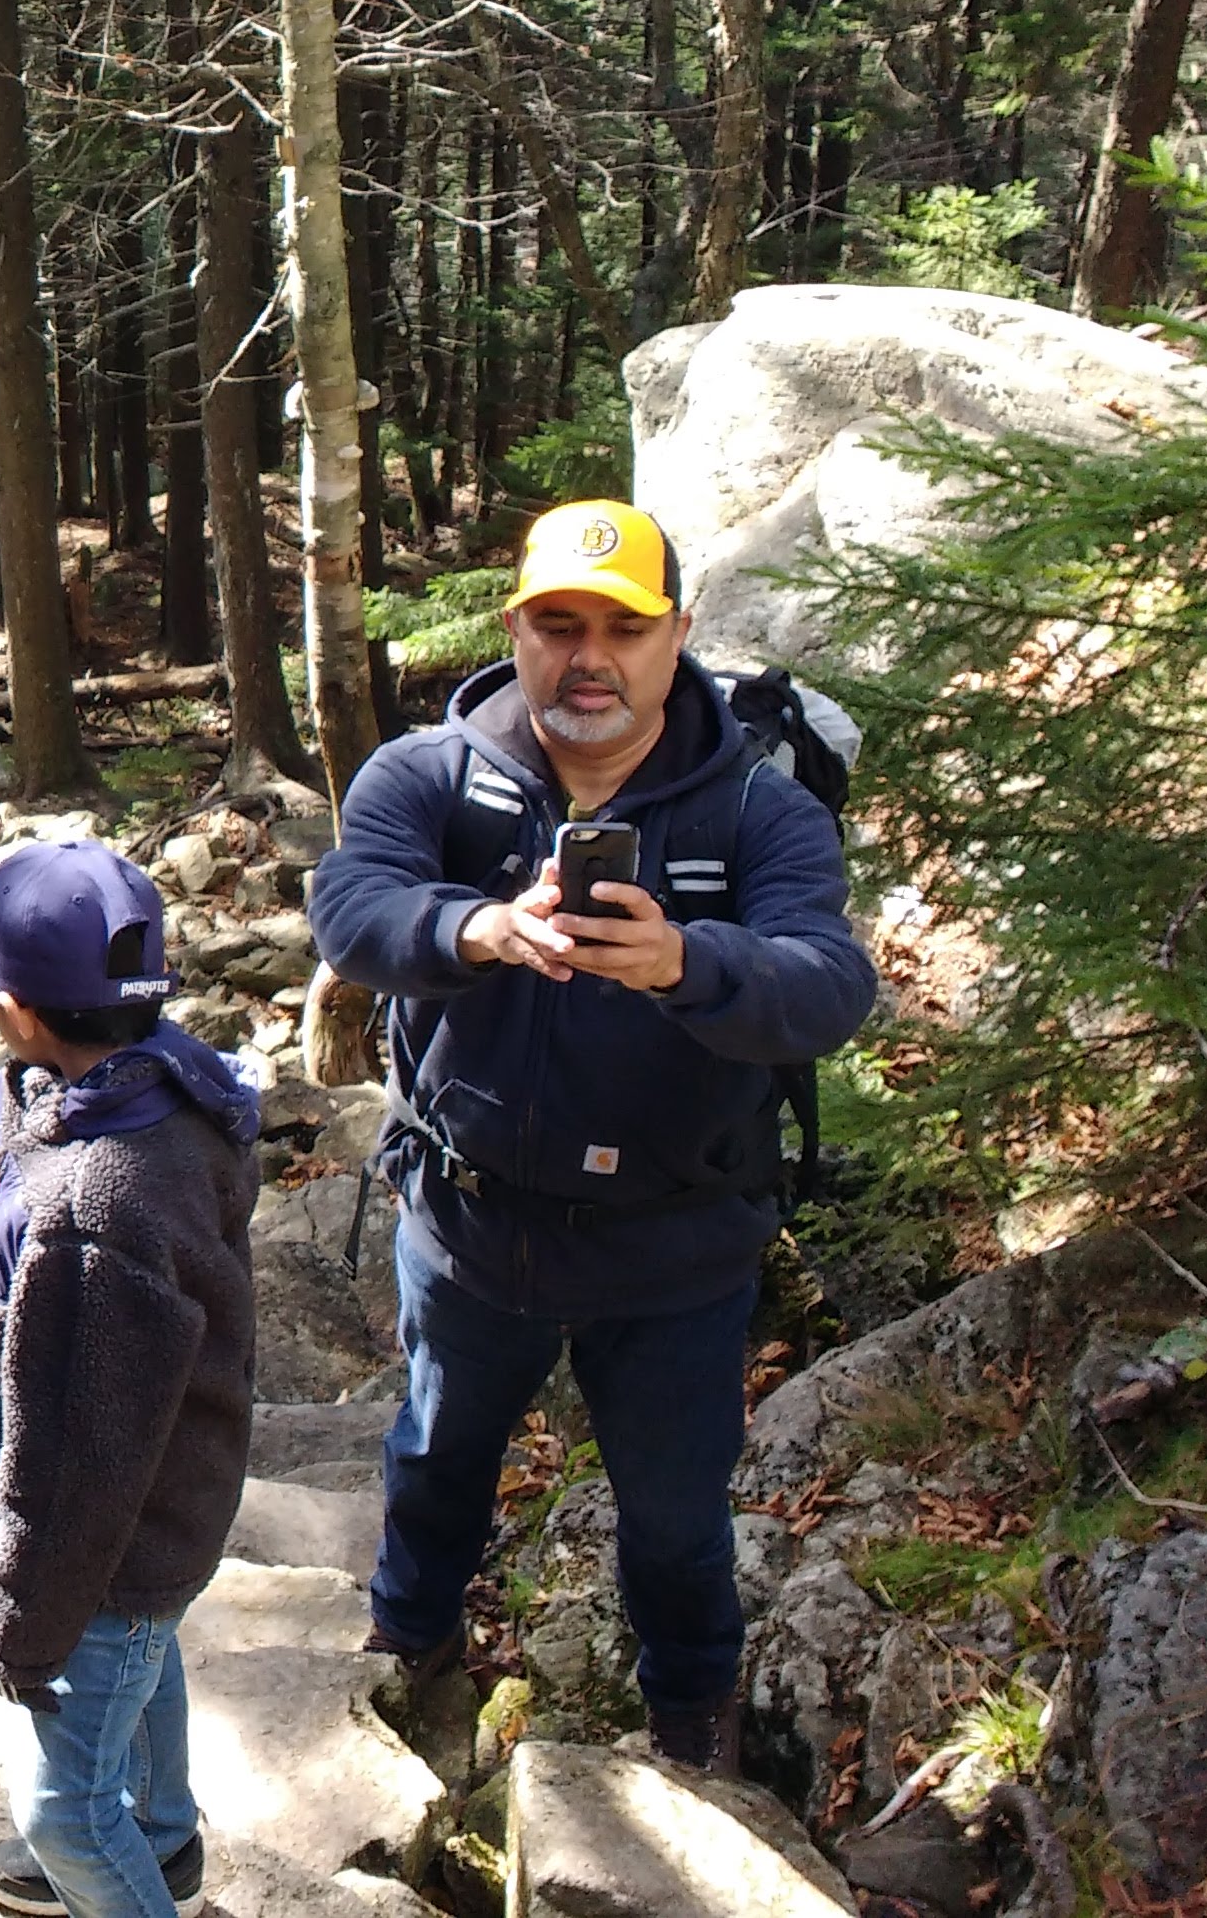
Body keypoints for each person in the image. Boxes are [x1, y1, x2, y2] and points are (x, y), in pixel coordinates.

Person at [306, 498, 876, 1773]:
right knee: (432, 1462)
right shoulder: (427, 775)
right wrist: (474, 929)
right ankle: (410, 1659)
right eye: (558, 625)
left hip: (673, 1249)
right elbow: (350, 907)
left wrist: (684, 961)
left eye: (622, 628)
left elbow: (829, 986)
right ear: (513, 630)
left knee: (674, 1520)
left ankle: (689, 1722)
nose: (588, 659)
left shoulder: (756, 810)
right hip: (467, 1224)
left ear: (677, 635)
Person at [0, 842, 260, 1918]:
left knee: (63, 1812)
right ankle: (161, 1839)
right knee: (144, 1664)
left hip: (103, 1548)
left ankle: (125, 1873)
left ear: (20, 1008)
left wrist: (24, 1614)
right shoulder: (162, 1091)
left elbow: (81, 1452)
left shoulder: (97, 1203)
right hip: (163, 1516)